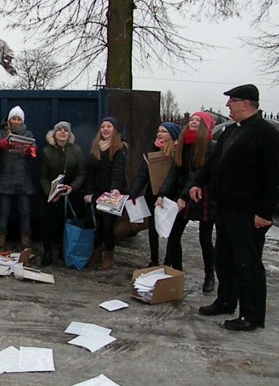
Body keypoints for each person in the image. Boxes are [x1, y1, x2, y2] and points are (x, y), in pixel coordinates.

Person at [189, 84, 279, 331]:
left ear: (246, 103)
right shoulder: (230, 131)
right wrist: (198, 182)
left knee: (247, 263)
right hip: (225, 208)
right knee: (225, 258)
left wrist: (265, 213)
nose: (227, 105)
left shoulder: (267, 134)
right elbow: (212, 163)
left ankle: (252, 315)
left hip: (249, 212)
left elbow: (277, 177)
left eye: (232, 101)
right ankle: (226, 301)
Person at [156, 112, 216, 292]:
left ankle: (209, 276)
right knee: (174, 235)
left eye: (198, 120)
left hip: (204, 196)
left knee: (205, 239)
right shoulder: (182, 145)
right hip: (183, 195)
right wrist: (162, 194)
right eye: (192, 120)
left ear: (206, 126)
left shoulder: (211, 147)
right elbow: (174, 172)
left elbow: (200, 175)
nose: (193, 122)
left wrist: (183, 196)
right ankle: (176, 271)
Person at [128, 122, 180, 268]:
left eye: (164, 131)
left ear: (173, 135)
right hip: (153, 193)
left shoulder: (178, 151)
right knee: (153, 229)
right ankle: (154, 259)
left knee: (172, 230)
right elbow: (143, 174)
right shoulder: (153, 149)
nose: (159, 134)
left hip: (171, 196)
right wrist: (133, 193)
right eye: (159, 131)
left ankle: (170, 261)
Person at [39, 121, 86, 266]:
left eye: (66, 130)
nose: (62, 132)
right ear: (54, 134)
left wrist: (72, 187)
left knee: (65, 224)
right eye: (59, 130)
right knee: (48, 224)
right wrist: (50, 193)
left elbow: (81, 173)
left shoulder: (77, 151)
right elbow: (43, 176)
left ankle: (64, 252)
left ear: (70, 134)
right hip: (51, 195)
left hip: (70, 194)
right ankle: (47, 252)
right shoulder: (47, 151)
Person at [83, 116, 127, 270]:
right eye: (103, 127)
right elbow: (89, 173)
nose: (105, 129)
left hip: (112, 195)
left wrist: (115, 188)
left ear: (115, 130)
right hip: (97, 192)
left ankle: (108, 254)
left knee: (108, 226)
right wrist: (88, 192)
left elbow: (117, 171)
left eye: (109, 126)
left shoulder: (119, 149)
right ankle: (96, 252)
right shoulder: (95, 148)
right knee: (96, 225)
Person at [0, 106, 36, 249]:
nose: (16, 121)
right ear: (9, 120)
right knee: (3, 212)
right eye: (14, 118)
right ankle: (0, 238)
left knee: (25, 212)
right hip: (6, 178)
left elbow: (34, 150)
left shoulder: (28, 133)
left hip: (23, 179)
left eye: (19, 119)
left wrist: (29, 150)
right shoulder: (3, 133)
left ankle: (26, 239)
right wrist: (4, 143)